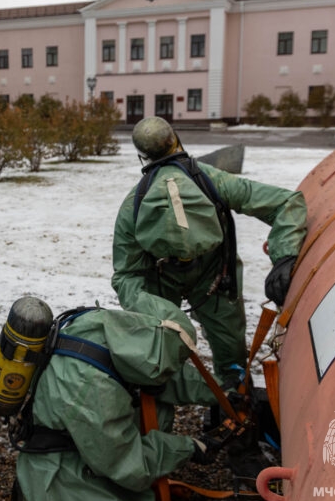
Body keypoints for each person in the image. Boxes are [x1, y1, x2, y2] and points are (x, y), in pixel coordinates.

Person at [10, 300, 231, 501]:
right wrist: (189, 448)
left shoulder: (116, 331)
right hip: (60, 466)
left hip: (87, 438)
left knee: (155, 406)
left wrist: (222, 392)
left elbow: (167, 374)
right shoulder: (92, 388)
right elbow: (128, 464)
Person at [111, 117, 307, 387]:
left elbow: (286, 204)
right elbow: (285, 203)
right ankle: (172, 393)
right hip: (165, 278)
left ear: (142, 157)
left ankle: (234, 392)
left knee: (228, 349)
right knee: (159, 350)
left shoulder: (133, 206)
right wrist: (160, 312)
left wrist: (284, 255)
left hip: (213, 274)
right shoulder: (211, 181)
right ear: (176, 141)